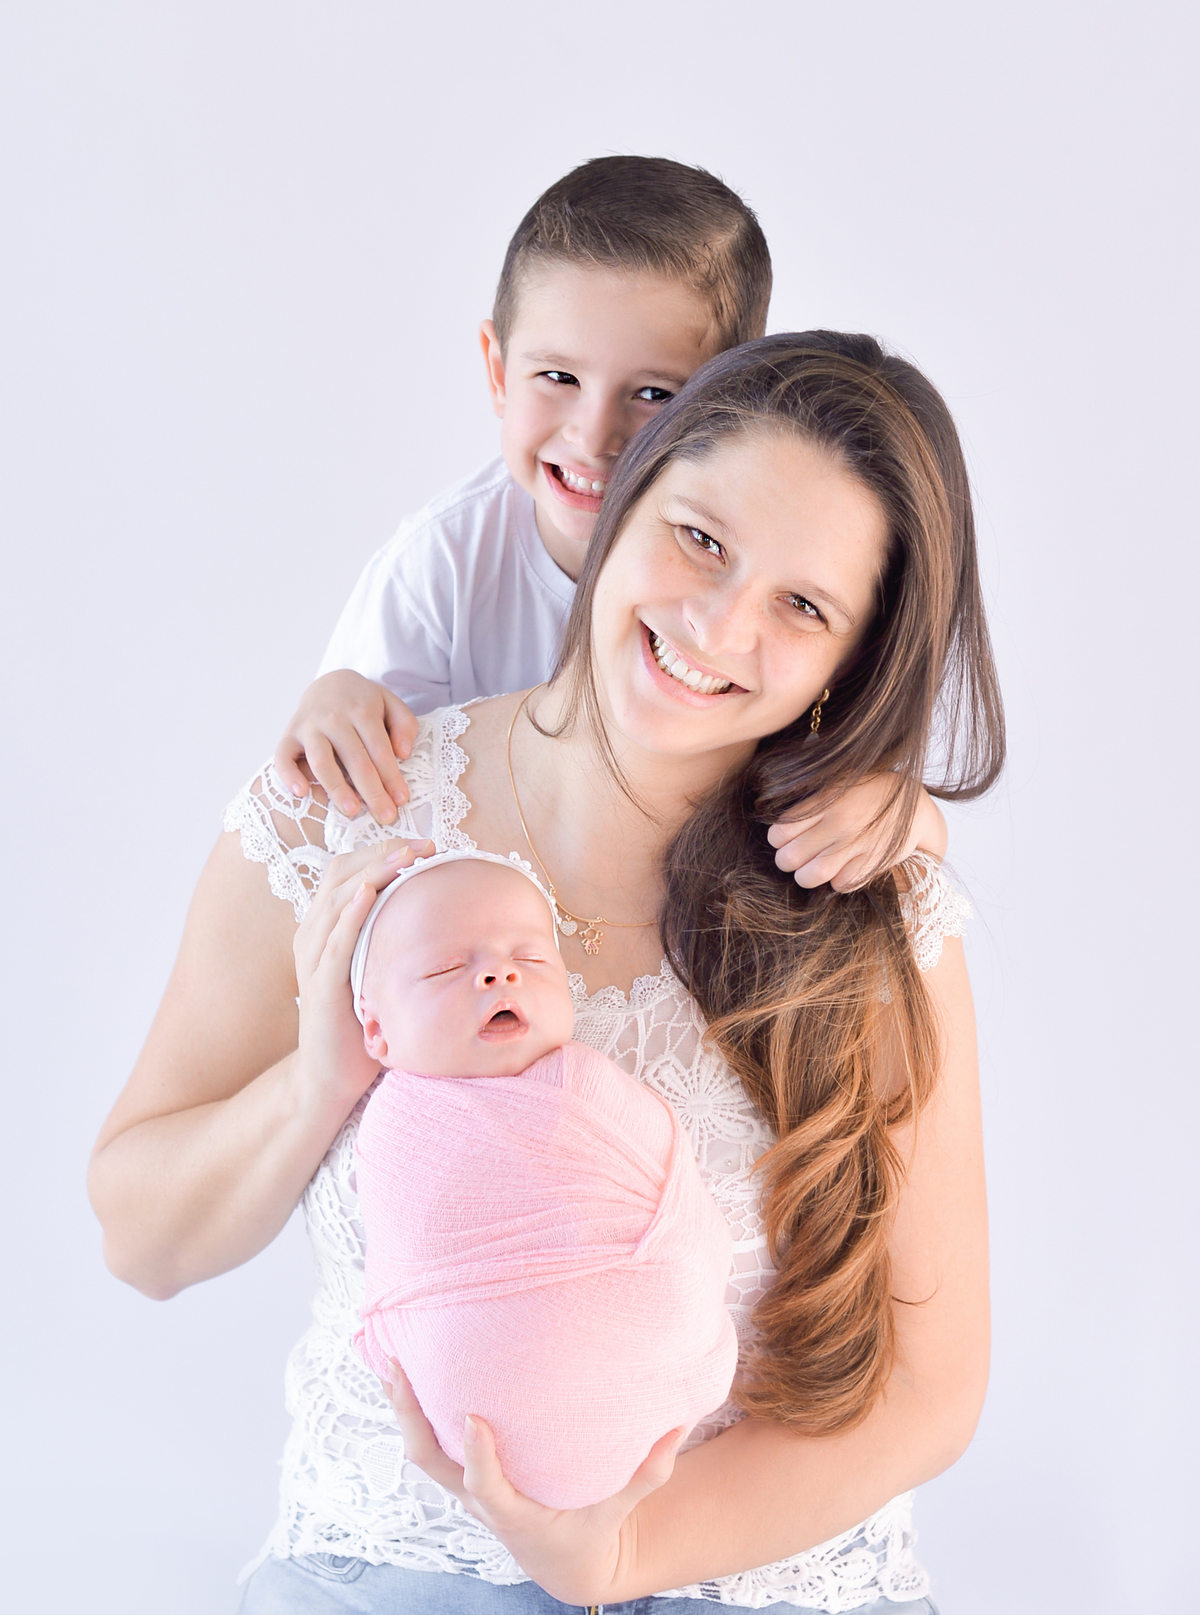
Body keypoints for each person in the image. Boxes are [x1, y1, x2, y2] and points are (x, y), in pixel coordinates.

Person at [89, 330, 1001, 1613]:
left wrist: (620, 1554)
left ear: (851, 662)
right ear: (625, 499)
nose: (717, 624)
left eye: (803, 607)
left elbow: (928, 1387)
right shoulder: (346, 806)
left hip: (762, 1583)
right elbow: (139, 1241)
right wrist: (317, 1084)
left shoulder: (875, 906)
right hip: (395, 1577)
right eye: (701, 538)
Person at [274, 154, 948, 891]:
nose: (595, 436)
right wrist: (336, 698)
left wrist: (908, 809)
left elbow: (848, 761)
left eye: (655, 393)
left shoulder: (768, 589)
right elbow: (363, 792)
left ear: (729, 404)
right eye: (558, 377)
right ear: (498, 371)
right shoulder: (438, 568)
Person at [350, 848, 737, 1510]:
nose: (499, 974)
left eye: (530, 959)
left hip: (659, 1389)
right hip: (474, 1414)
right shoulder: (399, 1126)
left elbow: (692, 1229)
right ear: (377, 1029)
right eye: (445, 968)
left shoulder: (590, 1087)